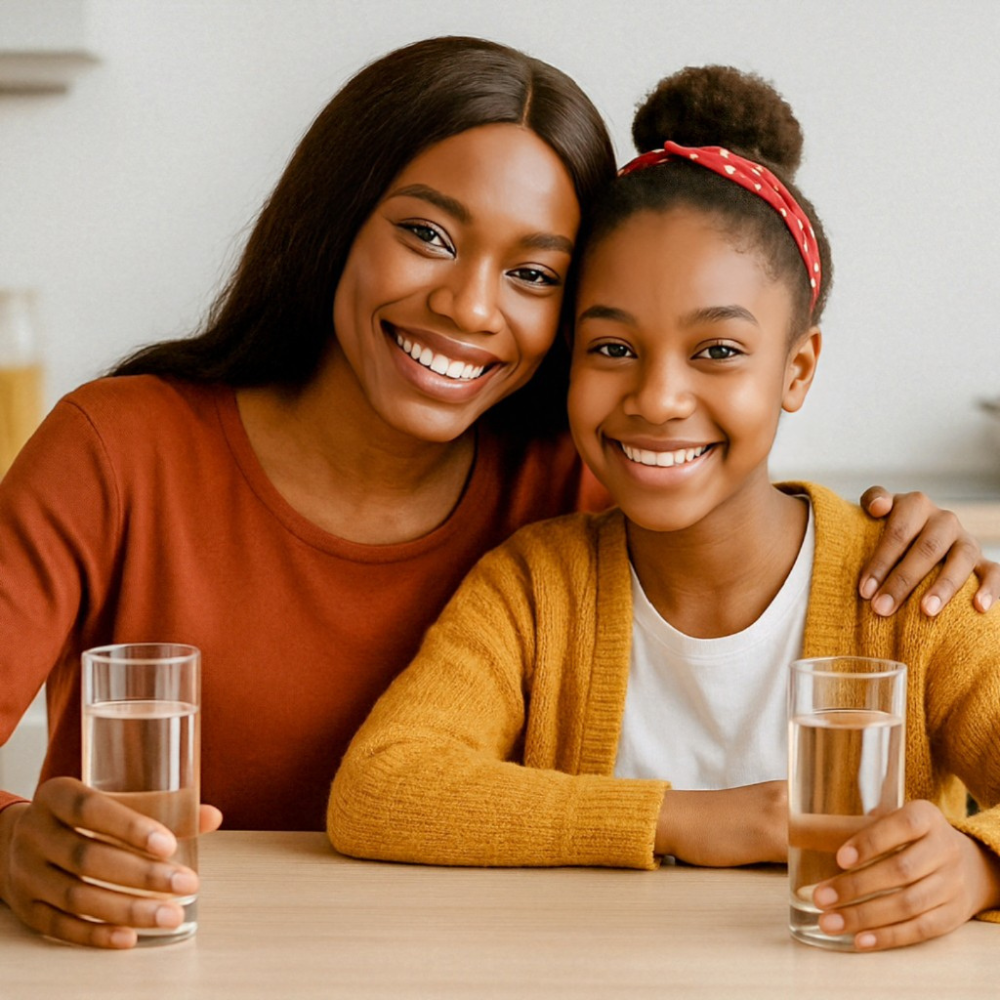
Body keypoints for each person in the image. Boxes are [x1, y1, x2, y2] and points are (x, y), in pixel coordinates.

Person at [0, 37, 992, 951]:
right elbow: (388, 787)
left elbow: (730, 499)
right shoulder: (118, 447)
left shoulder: (575, 486)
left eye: (531, 271)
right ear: (336, 218)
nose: (470, 306)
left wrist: (909, 542)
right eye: (428, 234)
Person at [328, 64, 1000, 953]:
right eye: (612, 346)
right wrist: (684, 818)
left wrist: (978, 865)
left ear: (796, 370)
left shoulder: (907, 591)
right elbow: (382, 788)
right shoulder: (536, 587)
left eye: (717, 349)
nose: (658, 396)